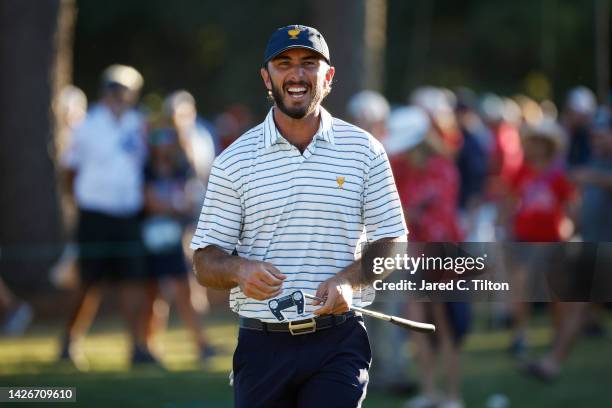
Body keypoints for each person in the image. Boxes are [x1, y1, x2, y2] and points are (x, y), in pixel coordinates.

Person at [191, 25, 407, 407]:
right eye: (283, 63)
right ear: (266, 77)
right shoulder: (233, 162)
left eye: (309, 63)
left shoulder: (364, 151)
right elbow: (205, 262)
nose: (297, 74)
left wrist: (348, 281)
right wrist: (240, 270)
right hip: (262, 345)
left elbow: (392, 242)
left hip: (337, 341)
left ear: (328, 77)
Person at [59, 64, 154, 369]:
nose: (118, 95)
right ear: (104, 90)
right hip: (95, 214)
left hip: (128, 215)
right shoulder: (87, 125)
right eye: (114, 88)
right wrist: (81, 203)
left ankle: (138, 346)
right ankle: (69, 341)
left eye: (124, 90)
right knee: (88, 282)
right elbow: (70, 171)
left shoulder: (138, 125)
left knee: (132, 281)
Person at [385, 106, 469, 408]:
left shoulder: (441, 168)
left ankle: (452, 395)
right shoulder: (401, 166)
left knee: (446, 326)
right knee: (417, 325)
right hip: (414, 254)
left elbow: (434, 219)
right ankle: (430, 392)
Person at [140, 127, 215, 361]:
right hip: (150, 239)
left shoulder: (181, 168)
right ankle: (147, 346)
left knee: (185, 289)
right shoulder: (147, 170)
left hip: (176, 238)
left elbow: (190, 199)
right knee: (154, 293)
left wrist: (173, 206)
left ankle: (201, 344)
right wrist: (173, 206)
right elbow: (151, 202)